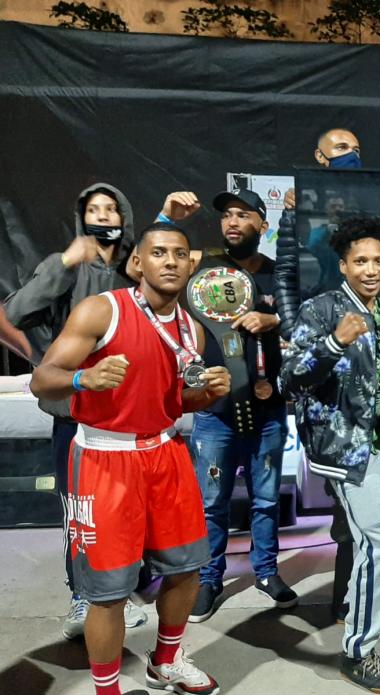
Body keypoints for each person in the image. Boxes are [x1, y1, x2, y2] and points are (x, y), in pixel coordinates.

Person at [29, 222, 231, 695]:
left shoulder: (191, 331)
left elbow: (173, 402)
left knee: (187, 567)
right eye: (158, 253)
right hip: (104, 458)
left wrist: (205, 396)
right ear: (137, 263)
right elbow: (43, 379)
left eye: (180, 254)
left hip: (166, 452)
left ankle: (165, 661)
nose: (170, 261)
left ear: (191, 264)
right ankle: (107, 690)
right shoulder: (103, 310)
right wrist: (85, 380)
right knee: (108, 592)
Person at [2, 183, 148, 639]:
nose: (103, 216)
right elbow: (16, 311)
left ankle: (122, 593)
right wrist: (65, 261)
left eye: (111, 208)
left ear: (124, 215)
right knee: (81, 512)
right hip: (77, 416)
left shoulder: (133, 271)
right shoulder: (64, 270)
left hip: (127, 416)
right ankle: (82, 596)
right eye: (93, 209)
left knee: (125, 510)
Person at [279, 216, 380, 694]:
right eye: (361, 261)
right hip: (345, 450)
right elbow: (289, 379)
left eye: (377, 260)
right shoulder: (322, 309)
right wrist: (336, 343)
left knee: (369, 544)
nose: (371, 269)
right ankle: (359, 652)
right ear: (343, 266)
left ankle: (358, 618)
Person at [158, 190, 296, 622]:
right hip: (214, 411)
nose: (232, 222)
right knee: (210, 503)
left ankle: (267, 572)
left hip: (267, 406)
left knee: (266, 500)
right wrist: (165, 216)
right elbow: (149, 261)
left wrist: (274, 321)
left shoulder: (280, 276)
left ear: (262, 225)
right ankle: (209, 579)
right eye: (227, 216)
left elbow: (305, 321)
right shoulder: (203, 266)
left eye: (243, 215)